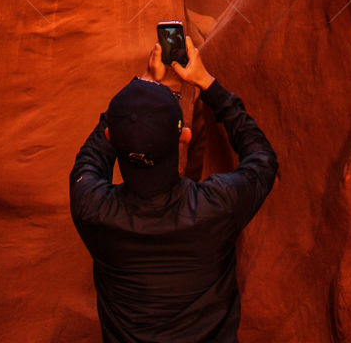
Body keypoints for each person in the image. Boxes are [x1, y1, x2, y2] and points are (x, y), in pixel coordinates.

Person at [69, 35, 278, 342]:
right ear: (185, 137)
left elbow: (94, 152)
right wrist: (207, 84)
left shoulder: (91, 207)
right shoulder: (217, 206)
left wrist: (139, 91)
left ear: (113, 135)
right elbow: (263, 160)